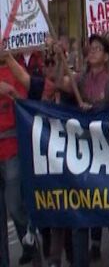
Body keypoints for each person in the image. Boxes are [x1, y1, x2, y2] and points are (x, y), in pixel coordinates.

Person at [54, 35, 109, 267]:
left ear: (106, 57)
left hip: (105, 160)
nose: (92, 51)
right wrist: (59, 57)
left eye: (98, 49)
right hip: (83, 160)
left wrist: (93, 113)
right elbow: (58, 82)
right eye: (90, 48)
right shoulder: (80, 81)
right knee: (80, 218)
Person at [0, 46, 38, 267]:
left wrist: (10, 92)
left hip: (12, 147)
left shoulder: (15, 70)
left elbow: (26, 103)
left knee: (15, 206)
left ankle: (30, 240)